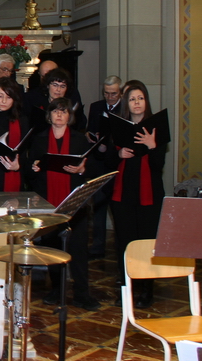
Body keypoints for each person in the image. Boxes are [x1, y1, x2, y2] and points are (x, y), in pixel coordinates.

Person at [29, 97, 100, 310]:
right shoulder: (39, 139)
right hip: (49, 201)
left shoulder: (80, 140)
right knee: (51, 247)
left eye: (64, 111)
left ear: (70, 116)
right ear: (49, 115)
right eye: (55, 111)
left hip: (74, 202)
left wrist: (82, 170)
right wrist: (33, 168)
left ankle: (81, 292)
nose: (59, 115)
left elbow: (94, 167)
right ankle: (56, 290)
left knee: (78, 249)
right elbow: (30, 170)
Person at [109, 80, 166, 309]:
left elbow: (159, 165)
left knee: (146, 243)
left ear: (146, 101)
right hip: (122, 195)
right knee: (125, 242)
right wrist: (119, 153)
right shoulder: (118, 128)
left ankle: (147, 290)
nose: (137, 102)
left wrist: (152, 146)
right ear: (126, 103)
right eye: (132, 99)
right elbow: (107, 162)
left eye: (140, 98)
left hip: (149, 195)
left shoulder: (156, 128)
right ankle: (126, 287)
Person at [85, 75, 123, 258]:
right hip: (99, 164)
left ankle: (120, 247)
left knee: (119, 211)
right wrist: (91, 137)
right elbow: (90, 128)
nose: (110, 97)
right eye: (107, 93)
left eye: (114, 94)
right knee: (98, 207)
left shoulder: (125, 109)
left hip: (118, 165)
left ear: (121, 92)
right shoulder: (96, 107)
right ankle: (98, 245)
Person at [25, 67, 86, 134]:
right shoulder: (36, 103)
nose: (58, 90)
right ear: (48, 85)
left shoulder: (72, 105)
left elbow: (81, 124)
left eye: (63, 86)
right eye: (55, 85)